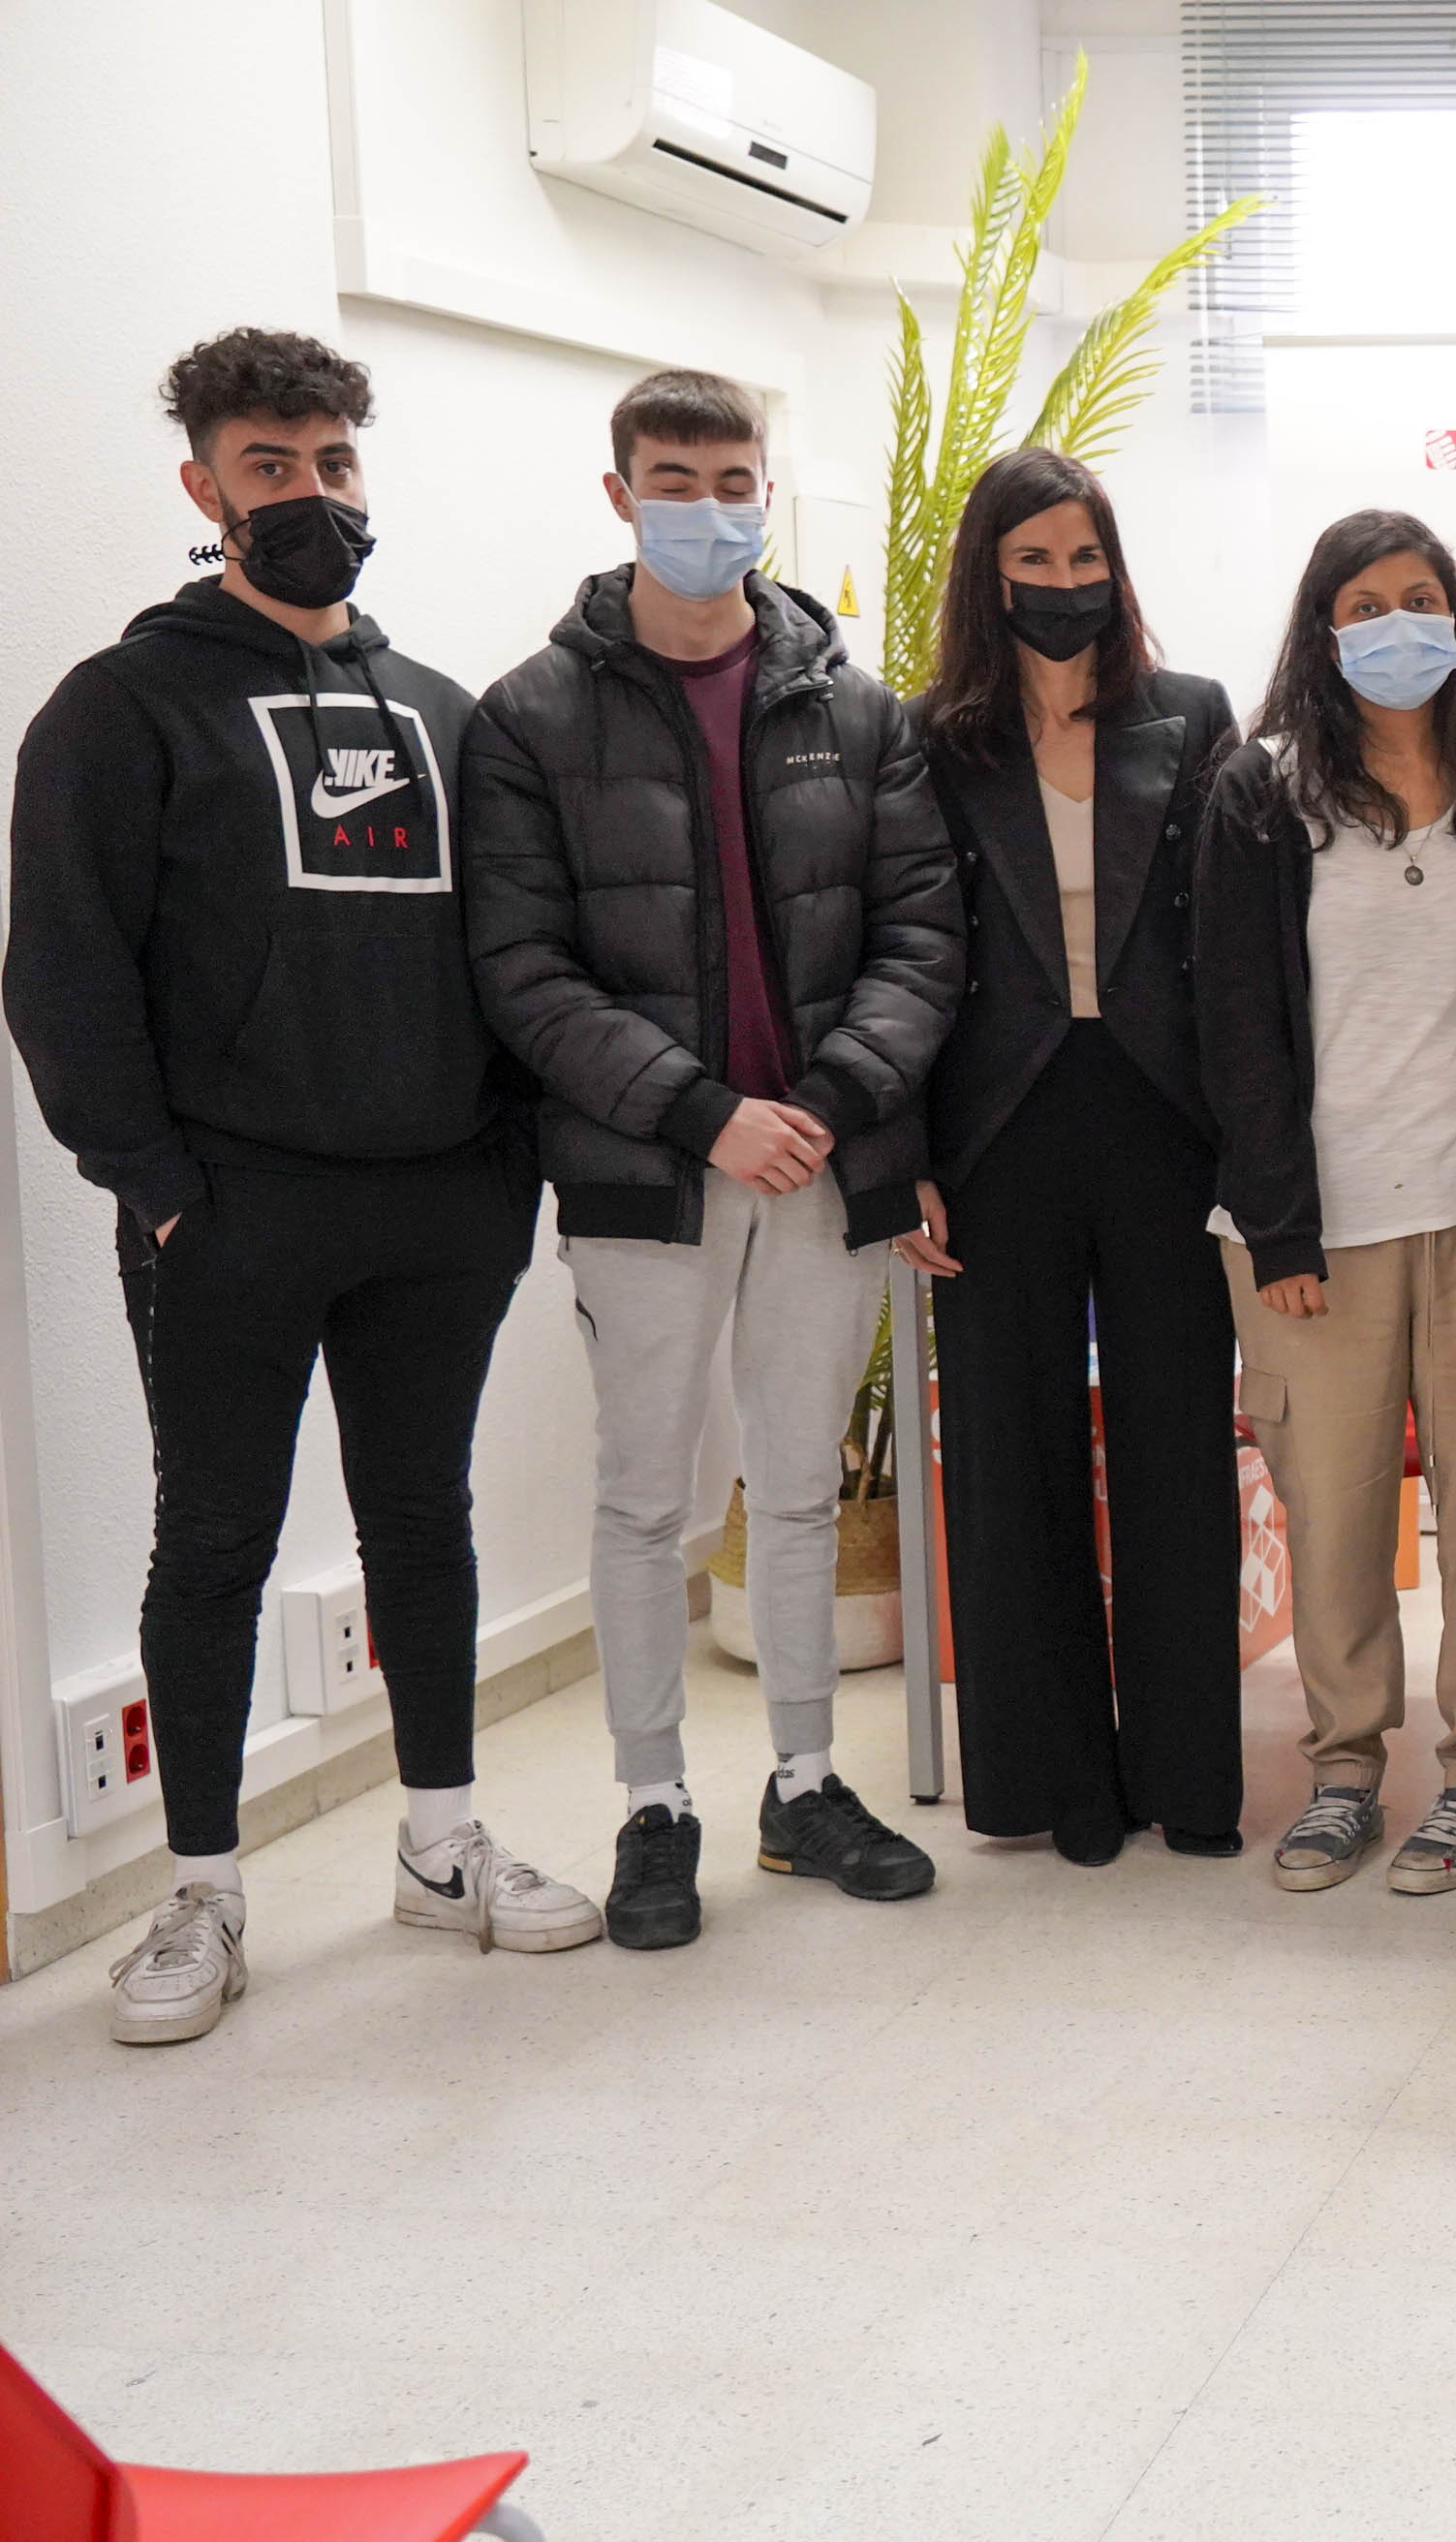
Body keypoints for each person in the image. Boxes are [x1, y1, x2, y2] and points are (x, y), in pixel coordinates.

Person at [7, 328, 594, 2041]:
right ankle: (201, 1892)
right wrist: (159, 1185)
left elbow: (516, 954)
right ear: (204, 488)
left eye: (334, 462)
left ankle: (440, 1845)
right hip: (230, 1212)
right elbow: (62, 973)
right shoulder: (120, 709)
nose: (311, 493)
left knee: (426, 1522)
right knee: (214, 1539)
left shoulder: (447, 714)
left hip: (441, 1206)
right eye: (271, 466)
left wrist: (502, 1168)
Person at [463, 367, 961, 1951]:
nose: (706, 509)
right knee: (640, 1499)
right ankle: (654, 1803)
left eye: (731, 479)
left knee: (799, 1487)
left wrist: (827, 1097)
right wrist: (704, 1111)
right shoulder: (532, 717)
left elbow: (922, 937)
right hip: (648, 1172)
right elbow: (523, 971)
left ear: (766, 489)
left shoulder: (857, 709)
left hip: (824, 1159)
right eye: (672, 482)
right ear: (620, 496)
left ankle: (805, 1783)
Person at [1199, 508, 1456, 1898]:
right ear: (1322, 630)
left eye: (1420, 598)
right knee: (1336, 1515)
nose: (1397, 625)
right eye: (1364, 606)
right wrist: (1278, 1222)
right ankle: (1344, 1769)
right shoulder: (1263, 791)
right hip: (1314, 1230)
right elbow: (1234, 1022)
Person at [910, 447, 1243, 1867]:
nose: (1064, 583)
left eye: (1085, 557)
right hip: (998, 1128)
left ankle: (1188, 1777)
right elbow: (896, 953)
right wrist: (899, 1154)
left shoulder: (1192, 712)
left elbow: (1235, 942)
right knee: (1010, 1453)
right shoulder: (931, 736)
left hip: (1166, 1120)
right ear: (989, 576)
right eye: (1034, 560)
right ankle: (1055, 1785)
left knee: (1179, 1446)